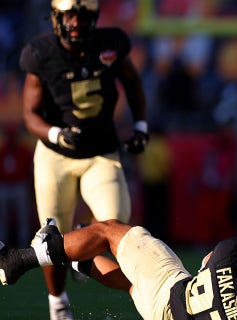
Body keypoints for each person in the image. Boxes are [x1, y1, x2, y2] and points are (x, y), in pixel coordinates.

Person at [19, 0, 149, 318]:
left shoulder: (110, 44)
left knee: (116, 228)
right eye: (68, 15)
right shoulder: (42, 53)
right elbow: (30, 114)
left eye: (81, 15)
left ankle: (81, 249)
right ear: (56, 18)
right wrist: (56, 135)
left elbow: (132, 82)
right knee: (50, 233)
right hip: (55, 156)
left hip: (101, 152)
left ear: (93, 17)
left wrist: (141, 125)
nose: (75, 22)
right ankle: (58, 302)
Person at [0, 219, 237, 320]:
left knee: (110, 231)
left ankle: (19, 260)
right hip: (162, 314)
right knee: (132, 284)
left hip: (172, 287)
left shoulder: (232, 255)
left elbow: (208, 261)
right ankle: (71, 258)